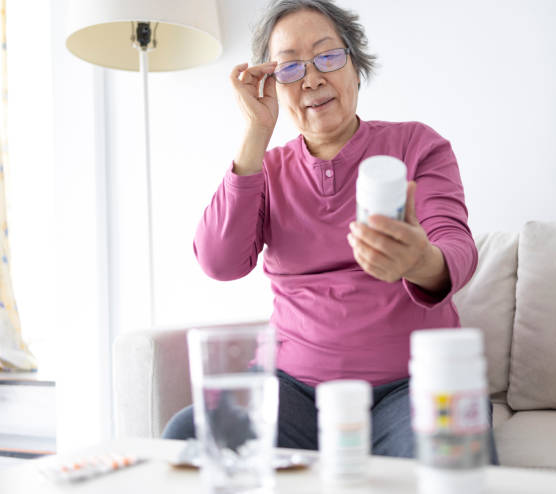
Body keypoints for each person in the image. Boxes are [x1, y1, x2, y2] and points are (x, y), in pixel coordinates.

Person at [163, 0, 498, 463]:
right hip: (293, 394)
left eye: (328, 56)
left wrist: (420, 261)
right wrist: (255, 132)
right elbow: (219, 262)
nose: (312, 78)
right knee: (186, 435)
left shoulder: (417, 145)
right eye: (289, 68)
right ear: (272, 85)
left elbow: (455, 246)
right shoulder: (266, 169)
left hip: (414, 387)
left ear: (356, 67)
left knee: (453, 462)